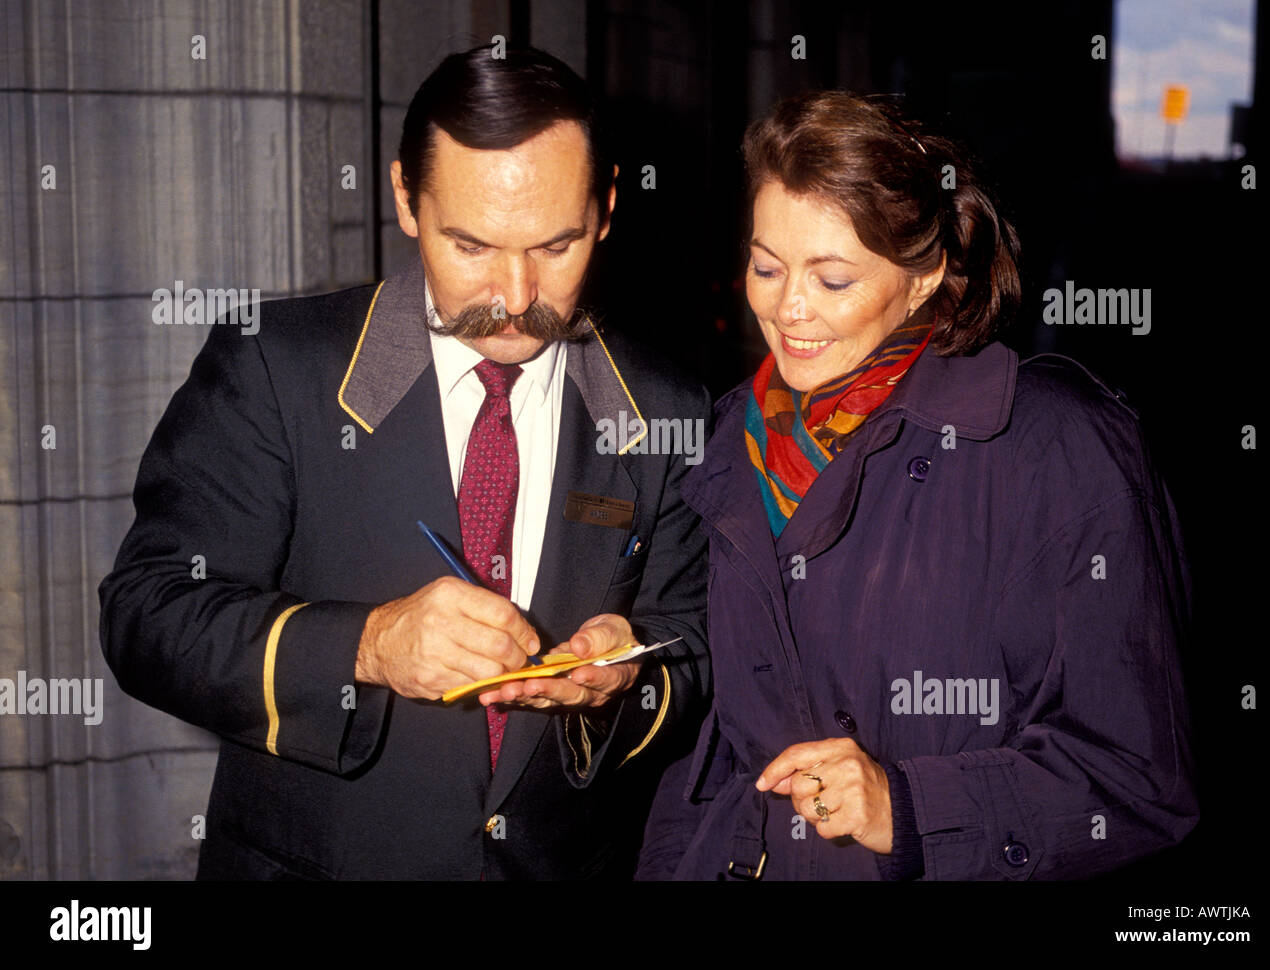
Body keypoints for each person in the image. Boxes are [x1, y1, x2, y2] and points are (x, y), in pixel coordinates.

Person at [98, 44, 710, 880]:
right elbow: (147, 618)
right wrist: (369, 644)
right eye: (472, 246)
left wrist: (620, 674)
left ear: (606, 208)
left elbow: (698, 649)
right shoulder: (279, 370)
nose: (517, 296)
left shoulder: (665, 406)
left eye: (557, 245)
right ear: (406, 201)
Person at [636, 91, 1197, 880]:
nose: (786, 306)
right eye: (766, 266)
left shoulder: (1057, 448)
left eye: (832, 280)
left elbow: (1139, 782)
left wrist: (908, 809)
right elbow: (723, 748)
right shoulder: (732, 437)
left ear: (927, 276)